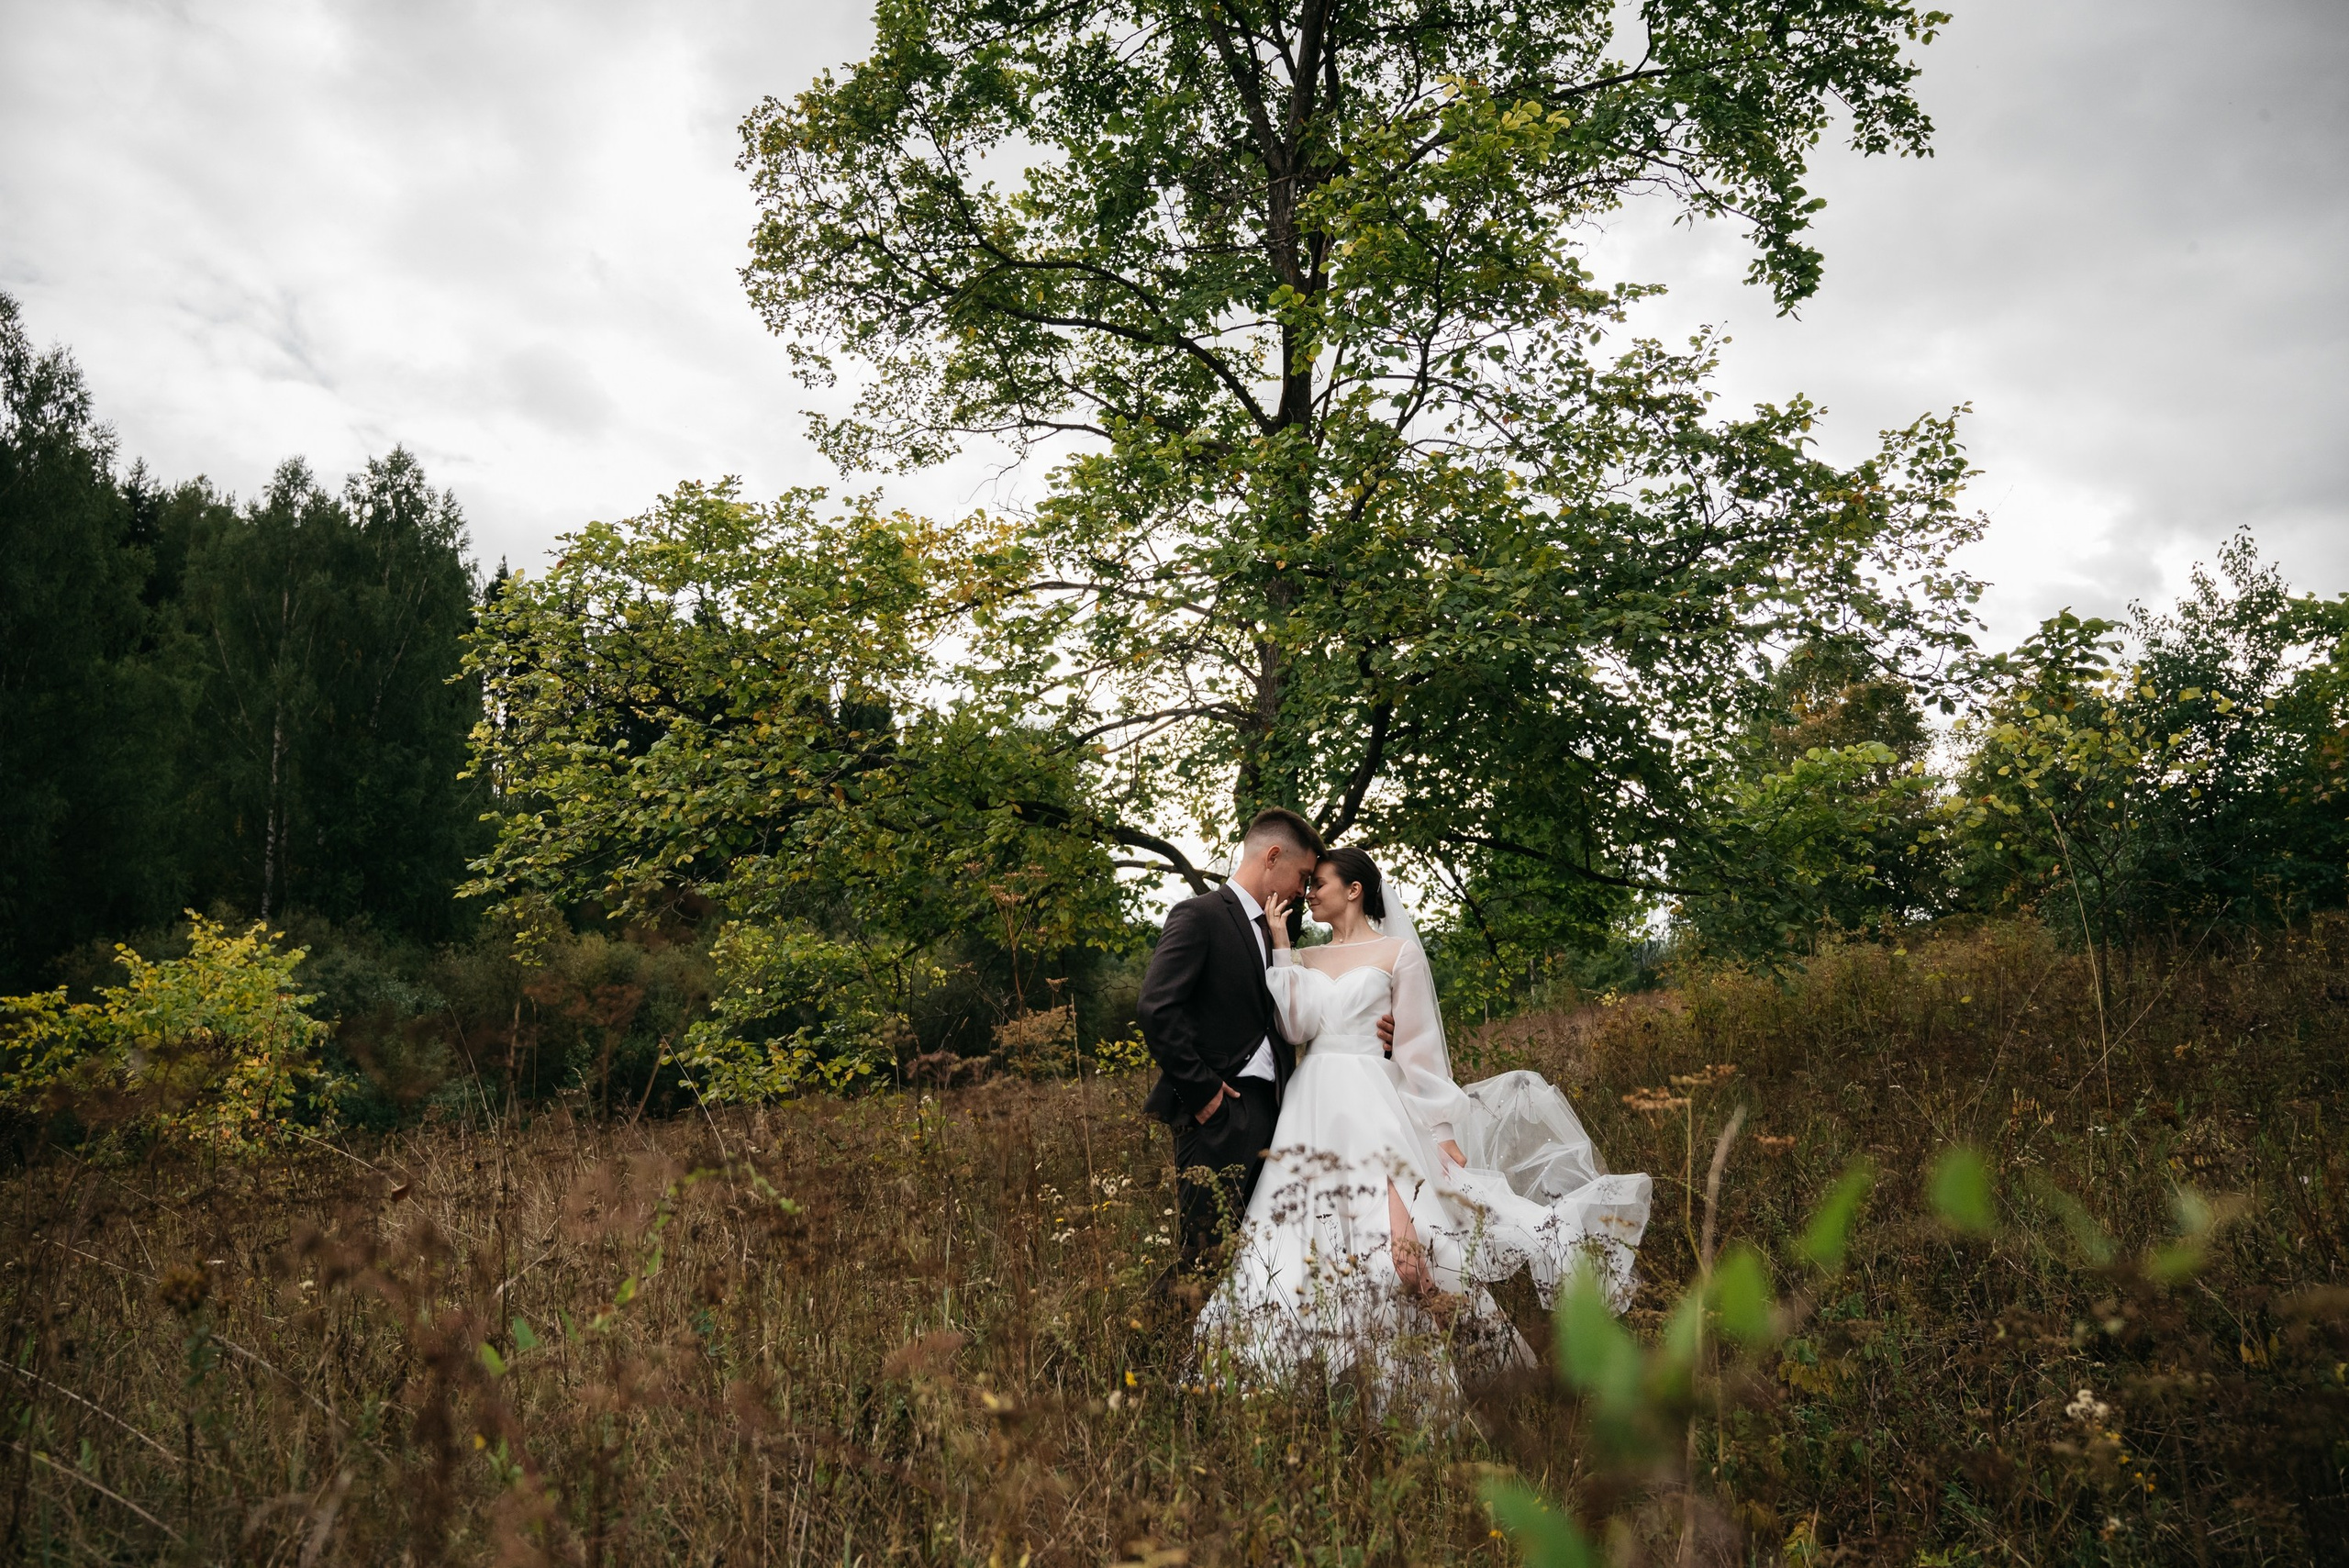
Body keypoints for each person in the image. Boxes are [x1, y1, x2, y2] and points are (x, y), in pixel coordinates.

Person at [1193, 847, 1652, 1388]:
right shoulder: (1305, 958)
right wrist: (1284, 948)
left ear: (1355, 888)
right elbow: (1294, 1029)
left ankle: (1434, 1369)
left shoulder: (1396, 954)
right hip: (1312, 1105)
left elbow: (1418, 1050)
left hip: (1372, 1102)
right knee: (1297, 1235)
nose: (1308, 892)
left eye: (1320, 882)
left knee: (1403, 1251)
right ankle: (1300, 1373)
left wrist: (1440, 1130)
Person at [1137, 806, 1324, 1280]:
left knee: (1254, 1254)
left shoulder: (1278, 931)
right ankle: (1154, 1348)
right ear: (1273, 855)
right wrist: (1204, 1095)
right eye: (1302, 876)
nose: (1304, 890)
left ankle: (1221, 1352)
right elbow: (1157, 1007)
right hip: (1219, 1112)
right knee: (1203, 1253)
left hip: (1274, 1113)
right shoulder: (1199, 915)